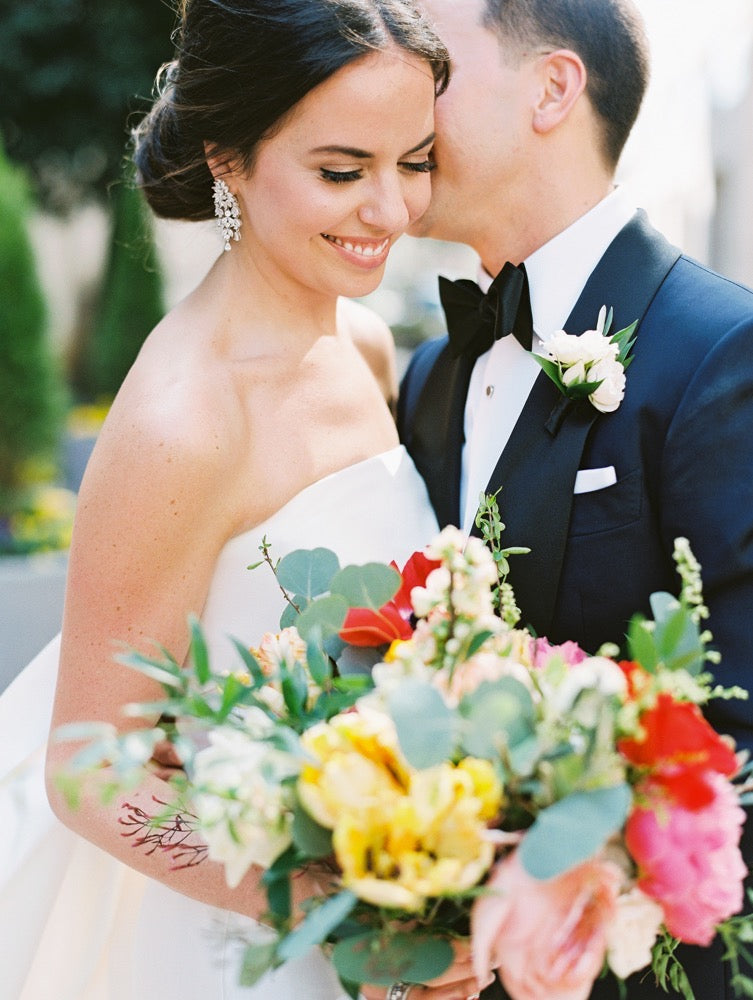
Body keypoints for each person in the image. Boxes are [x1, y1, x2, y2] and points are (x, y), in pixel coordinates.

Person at [0, 2, 493, 998]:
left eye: (415, 160)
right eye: (343, 171)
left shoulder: (361, 347)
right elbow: (92, 773)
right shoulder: (185, 422)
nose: (393, 211)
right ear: (228, 157)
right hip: (248, 941)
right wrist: (348, 913)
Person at [398, 1, 753, 998]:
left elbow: (740, 742)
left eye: (431, 61)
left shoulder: (721, 354)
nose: (394, 87)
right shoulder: (430, 377)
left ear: (553, 88)